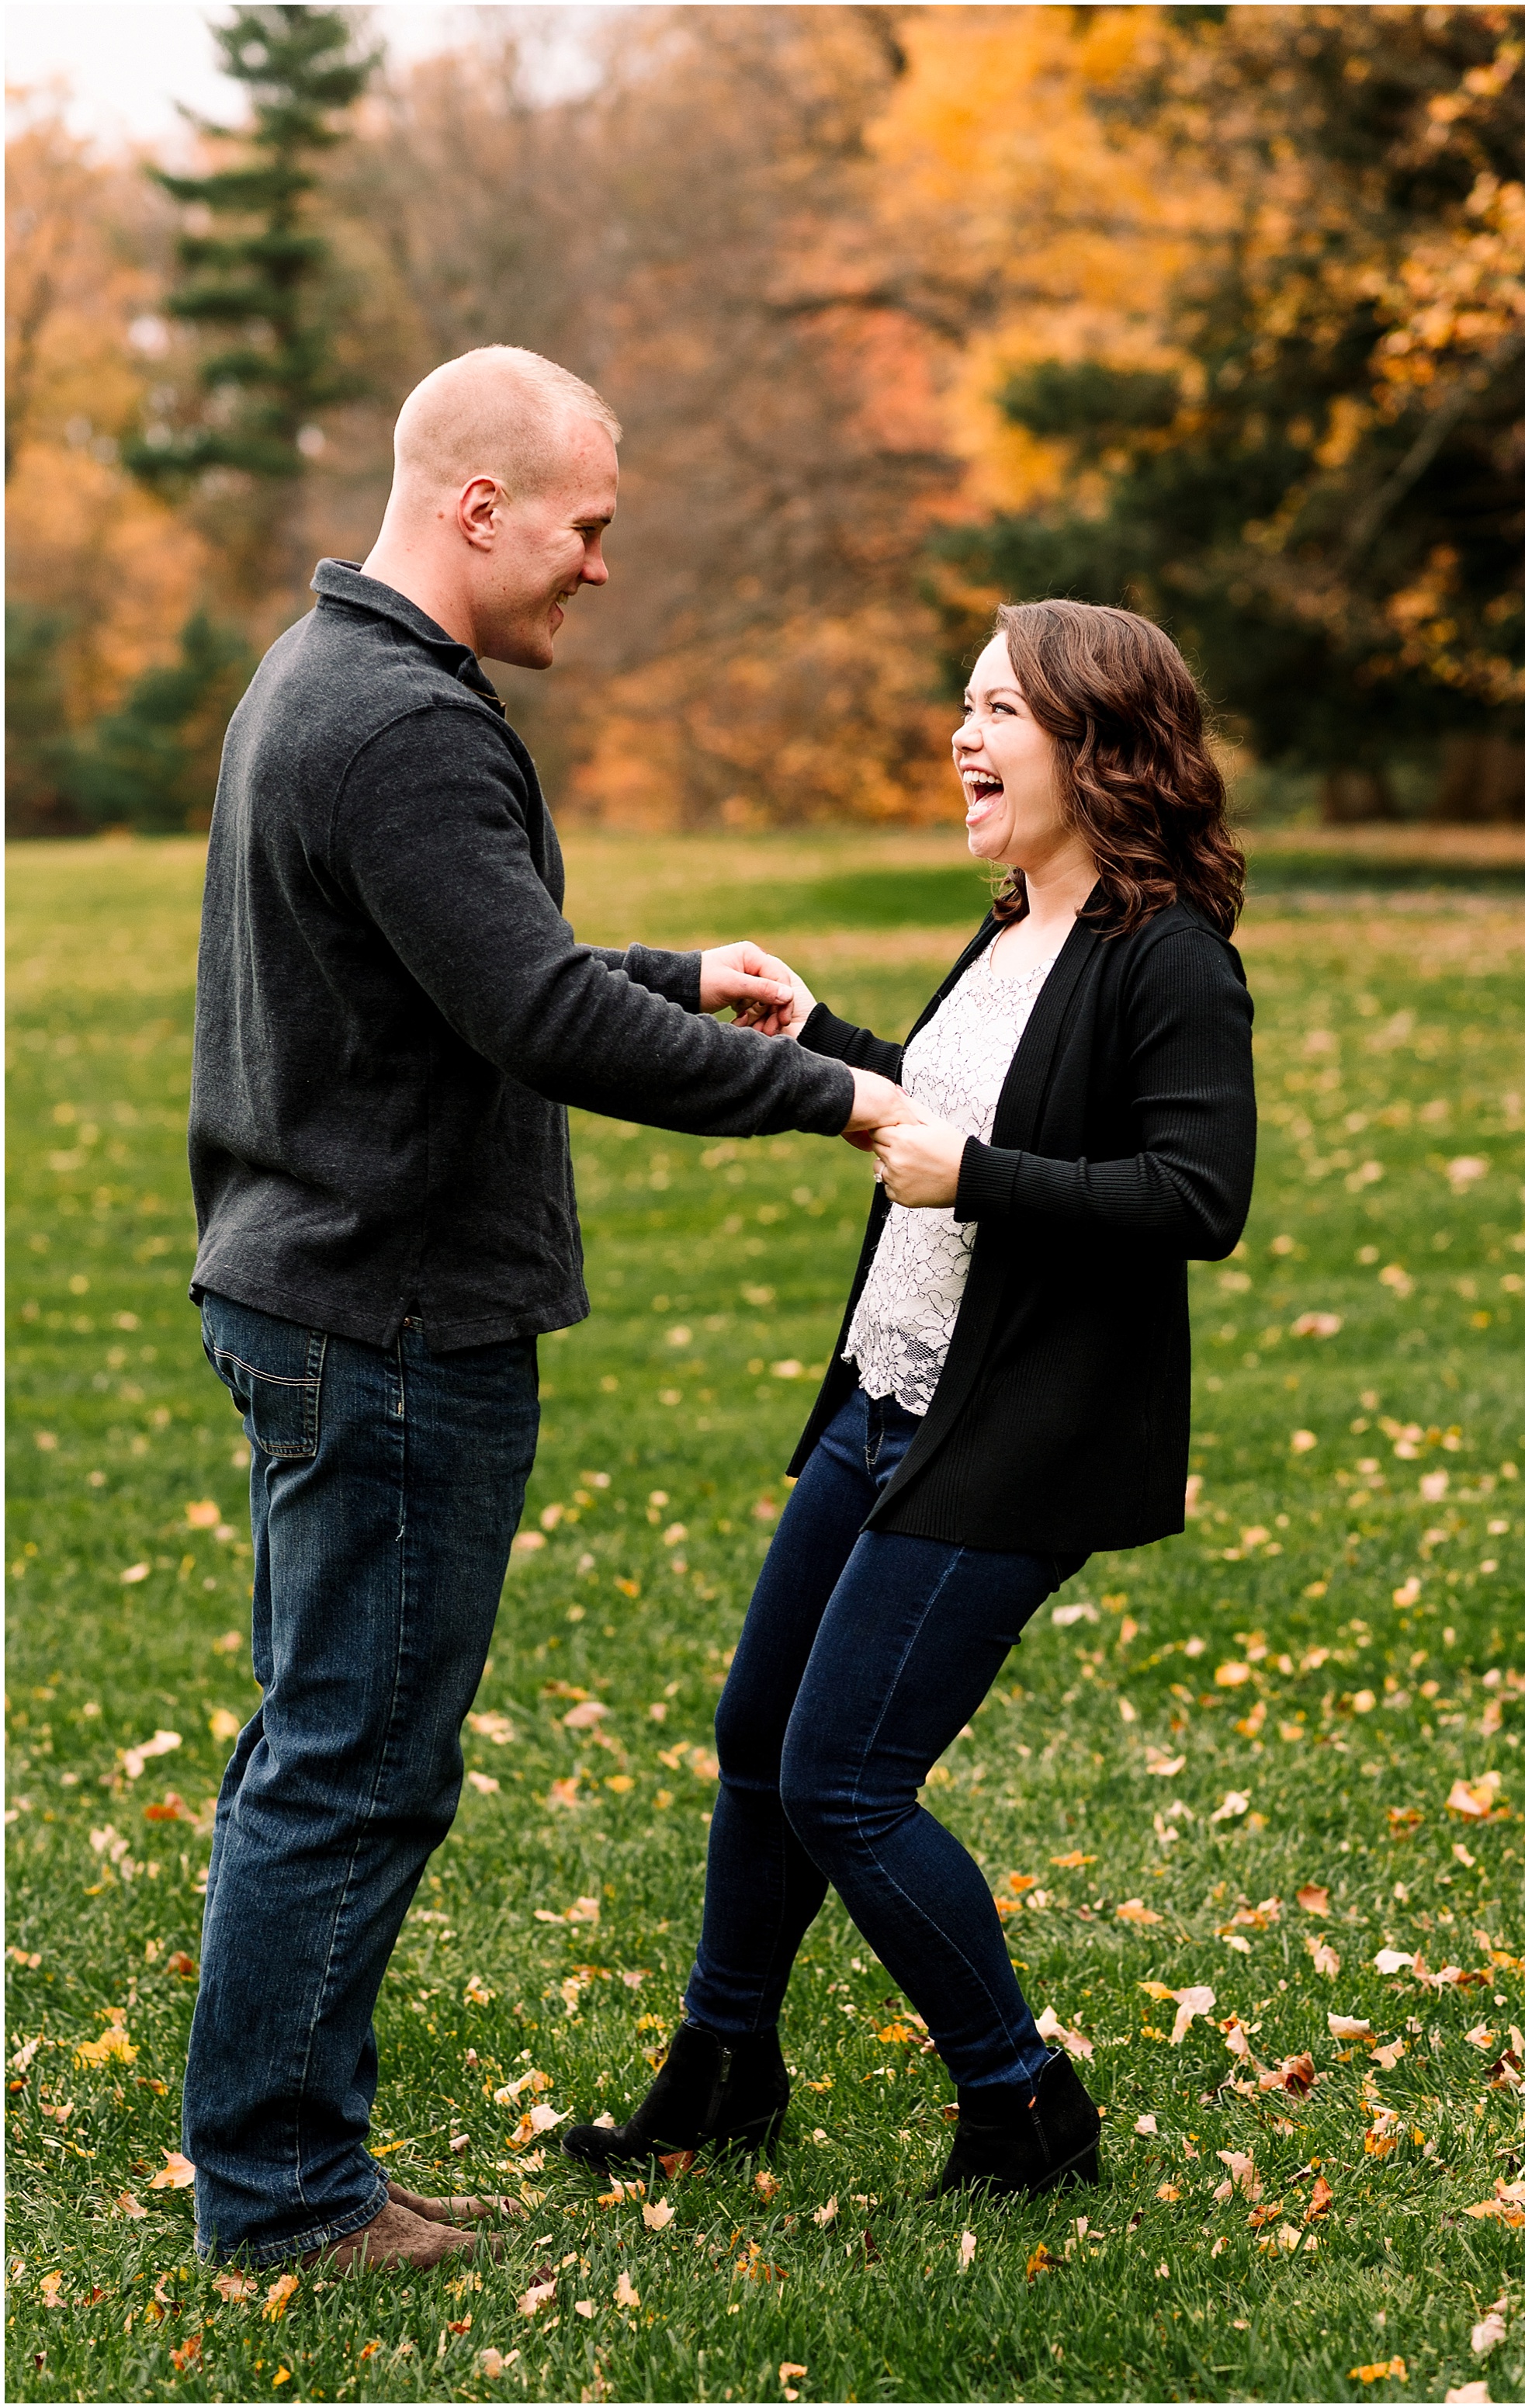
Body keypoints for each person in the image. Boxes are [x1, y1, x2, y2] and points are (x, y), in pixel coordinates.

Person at [182, 345, 913, 2276]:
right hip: (387, 1322)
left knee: (323, 1748)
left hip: (315, 1293)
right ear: (479, 505)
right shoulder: (405, 719)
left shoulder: (324, 677)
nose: (599, 565)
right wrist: (837, 1092)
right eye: (586, 526)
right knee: (349, 1764)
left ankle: (300, 2160)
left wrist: (677, 973)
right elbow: (528, 1015)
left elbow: (471, 959)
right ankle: (282, 2200)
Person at [563, 598, 1256, 2198]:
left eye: (997, 710)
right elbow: (954, 1119)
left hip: (1013, 1434)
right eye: (962, 704)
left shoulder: (1165, 963)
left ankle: (1019, 2102)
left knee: (841, 1780)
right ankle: (723, 2063)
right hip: (888, 1398)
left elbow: (1191, 1194)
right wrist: (825, 1045)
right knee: (758, 1736)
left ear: (1096, 745)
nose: (961, 736)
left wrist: (982, 1178)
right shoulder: (1010, 929)